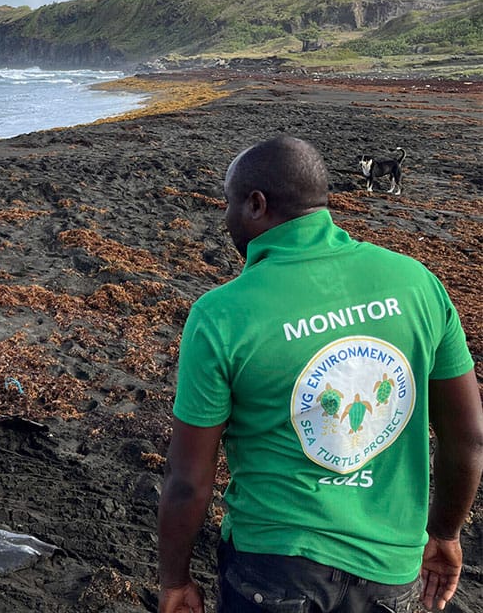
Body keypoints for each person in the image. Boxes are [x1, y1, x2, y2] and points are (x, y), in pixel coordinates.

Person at [157, 135, 483, 613]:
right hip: (392, 571)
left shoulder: (221, 314)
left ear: (255, 205)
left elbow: (188, 479)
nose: (225, 218)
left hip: (273, 571)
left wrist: (175, 581)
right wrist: (446, 532)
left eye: (228, 204)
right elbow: (469, 436)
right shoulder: (417, 283)